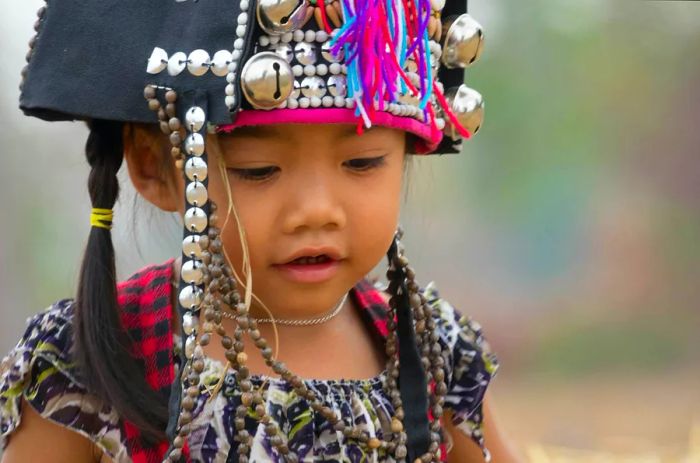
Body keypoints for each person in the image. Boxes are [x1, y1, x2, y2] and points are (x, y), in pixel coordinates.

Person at [1, 0, 521, 462]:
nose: (317, 211)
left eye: (362, 163)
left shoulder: (435, 356)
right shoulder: (90, 356)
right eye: (259, 170)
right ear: (156, 167)